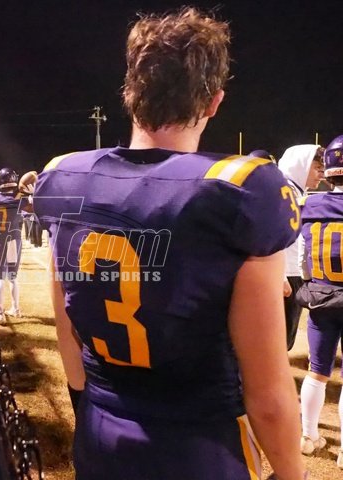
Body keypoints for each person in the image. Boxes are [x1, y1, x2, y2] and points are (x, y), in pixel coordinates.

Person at [33, 7, 304, 480]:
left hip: (101, 431)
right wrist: (292, 473)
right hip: (200, 447)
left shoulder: (65, 177)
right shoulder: (237, 190)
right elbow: (268, 396)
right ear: (214, 101)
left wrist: (91, 413)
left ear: (131, 92)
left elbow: (67, 332)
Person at [296, 134, 343, 469]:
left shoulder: (309, 205)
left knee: (317, 371)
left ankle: (308, 436)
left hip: (321, 297)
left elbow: (303, 260)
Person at [277, 145, 324, 350]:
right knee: (279, 338)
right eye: (317, 169)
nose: (322, 175)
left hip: (292, 272)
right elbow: (271, 234)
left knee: (285, 337)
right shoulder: (283, 192)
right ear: (301, 165)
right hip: (285, 273)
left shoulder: (294, 191)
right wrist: (280, 275)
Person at [0, 167, 31, 324]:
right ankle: (16, 308)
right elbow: (34, 207)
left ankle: (1, 314)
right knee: (13, 277)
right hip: (14, 240)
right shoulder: (19, 197)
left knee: (0, 277)